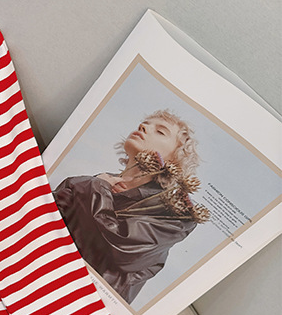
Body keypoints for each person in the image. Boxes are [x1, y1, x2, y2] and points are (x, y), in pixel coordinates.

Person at [53, 110, 203, 304]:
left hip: (82, 301)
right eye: (145, 123)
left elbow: (120, 248)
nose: (144, 127)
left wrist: (97, 187)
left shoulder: (174, 217)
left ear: (174, 160)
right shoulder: (97, 182)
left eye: (160, 131)